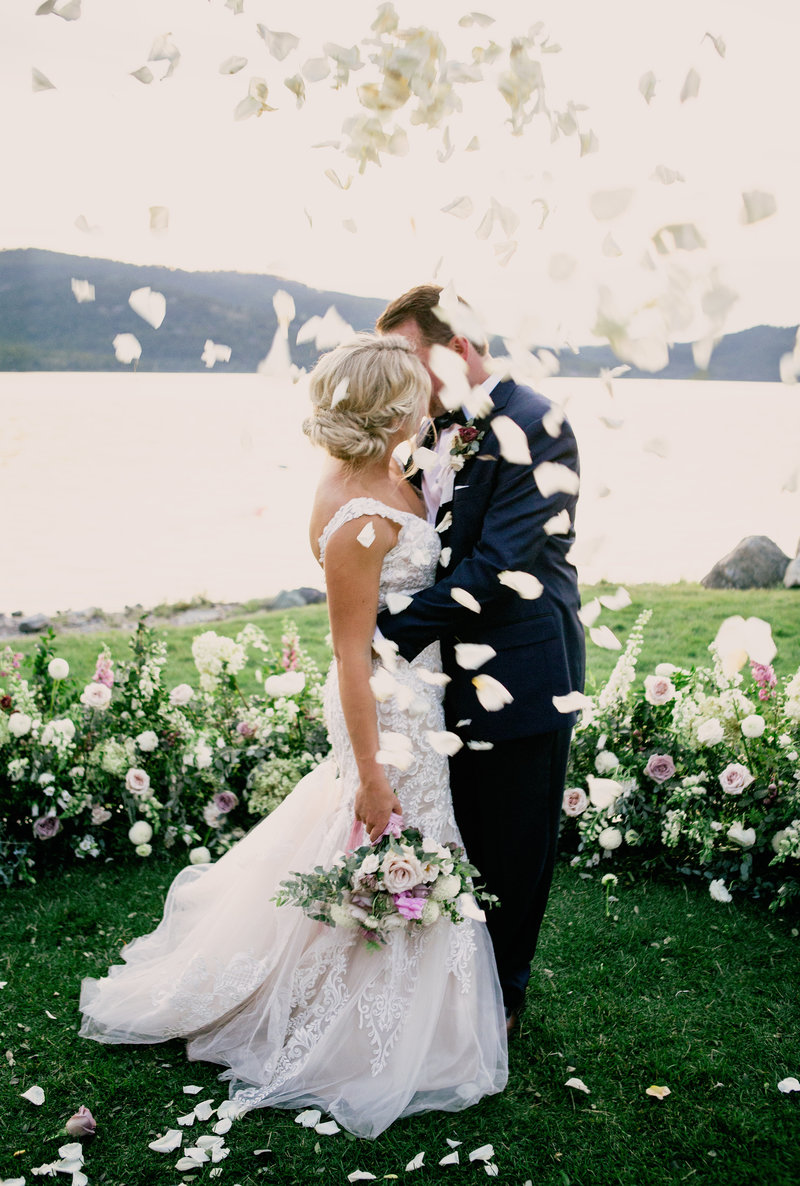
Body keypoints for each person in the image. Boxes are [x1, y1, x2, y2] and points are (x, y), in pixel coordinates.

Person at [78, 333, 507, 1140]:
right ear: (389, 409)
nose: (430, 402)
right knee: (381, 833)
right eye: (417, 392)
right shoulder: (360, 520)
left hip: (417, 696)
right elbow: (349, 655)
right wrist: (373, 769)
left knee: (366, 843)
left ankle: (379, 997)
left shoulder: (381, 472)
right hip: (388, 709)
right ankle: (343, 1022)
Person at [375, 286, 585, 1035]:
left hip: (524, 666)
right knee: (452, 832)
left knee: (512, 843)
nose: (403, 376)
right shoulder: (430, 431)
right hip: (438, 675)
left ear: (455, 346)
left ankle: (500, 1004)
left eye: (409, 357)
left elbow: (499, 566)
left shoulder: (539, 423)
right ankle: (445, 991)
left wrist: (385, 628)